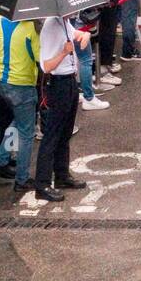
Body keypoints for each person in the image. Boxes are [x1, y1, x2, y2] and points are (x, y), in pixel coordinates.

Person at [34, 12, 91, 201]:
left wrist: (84, 35)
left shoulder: (65, 22)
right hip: (57, 83)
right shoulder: (51, 27)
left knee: (66, 132)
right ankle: (42, 184)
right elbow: (46, 66)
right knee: (52, 134)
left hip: (70, 81)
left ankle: (62, 175)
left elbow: (76, 35)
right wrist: (64, 52)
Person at [0, 9, 40, 193]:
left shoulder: (0, 21)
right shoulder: (28, 29)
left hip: (3, 80)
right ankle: (22, 179)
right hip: (22, 84)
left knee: (17, 121)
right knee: (27, 133)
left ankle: (1, 159)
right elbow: (40, 57)